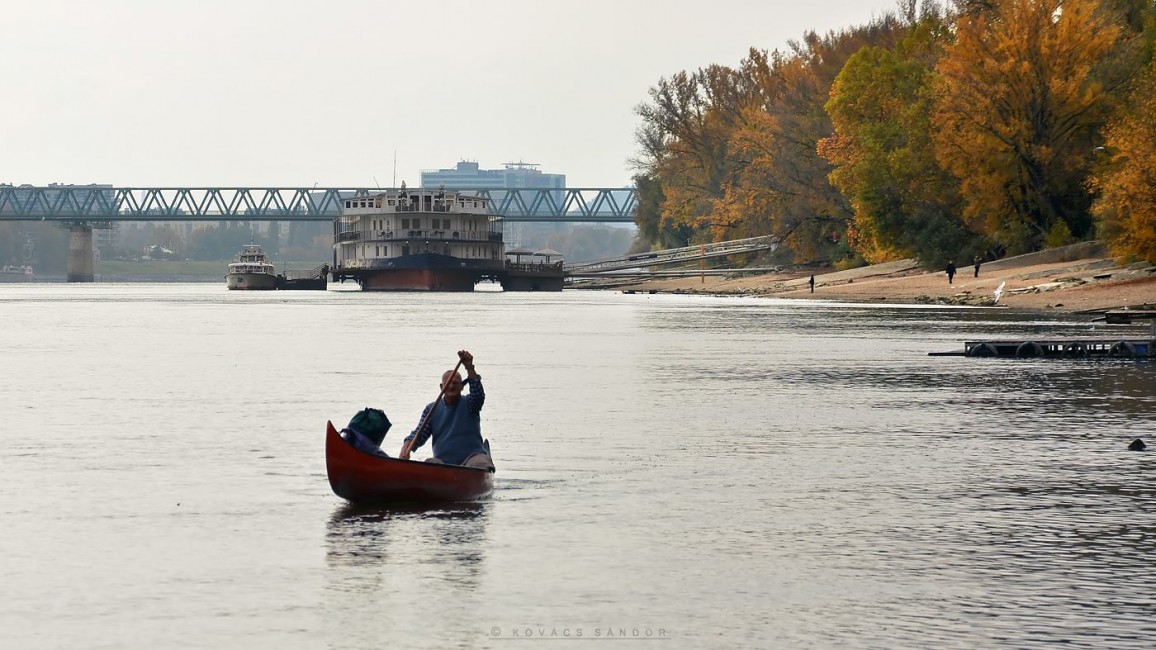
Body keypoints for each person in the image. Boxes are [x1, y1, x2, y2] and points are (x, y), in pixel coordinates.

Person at [400, 350, 494, 470]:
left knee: (480, 464)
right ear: (441, 387)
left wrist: (469, 368)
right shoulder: (431, 409)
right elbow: (418, 435)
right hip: (443, 464)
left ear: (462, 386)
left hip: (473, 458)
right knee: (429, 463)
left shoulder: (470, 403)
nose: (451, 386)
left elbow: (478, 394)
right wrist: (405, 448)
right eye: (448, 383)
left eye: (455, 383)